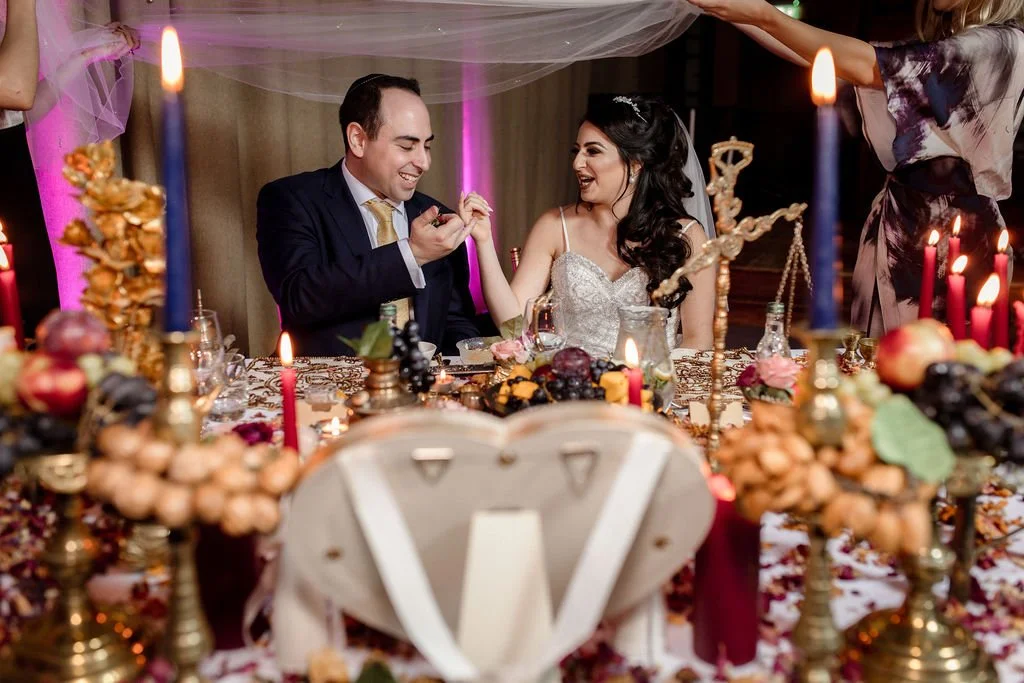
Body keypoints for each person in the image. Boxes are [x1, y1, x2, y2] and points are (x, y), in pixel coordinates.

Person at [690, 0, 1024, 336]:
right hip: (898, 220)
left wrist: (763, 13)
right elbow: (832, 61)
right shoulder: (946, 47)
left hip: (955, 237)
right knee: (874, 361)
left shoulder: (1002, 44)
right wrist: (729, 11)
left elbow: (867, 67)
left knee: (931, 367)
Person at [464, 94, 716, 356]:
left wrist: (651, 385)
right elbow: (514, 325)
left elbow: (698, 341)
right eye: (577, 151)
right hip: (571, 384)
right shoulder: (554, 226)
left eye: (592, 151)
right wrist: (483, 240)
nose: (577, 164)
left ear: (635, 163)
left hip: (651, 386)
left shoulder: (687, 236)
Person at [257, 74, 480, 356]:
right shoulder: (293, 199)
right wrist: (411, 254)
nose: (424, 162)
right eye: (407, 146)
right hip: (326, 392)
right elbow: (299, 297)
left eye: (427, 145)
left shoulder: (439, 218)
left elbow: (456, 322)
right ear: (358, 139)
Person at [0, 0, 138, 334]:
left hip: (14, 196)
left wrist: (83, 57)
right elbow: (15, 90)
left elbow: (15, 112)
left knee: (32, 331)